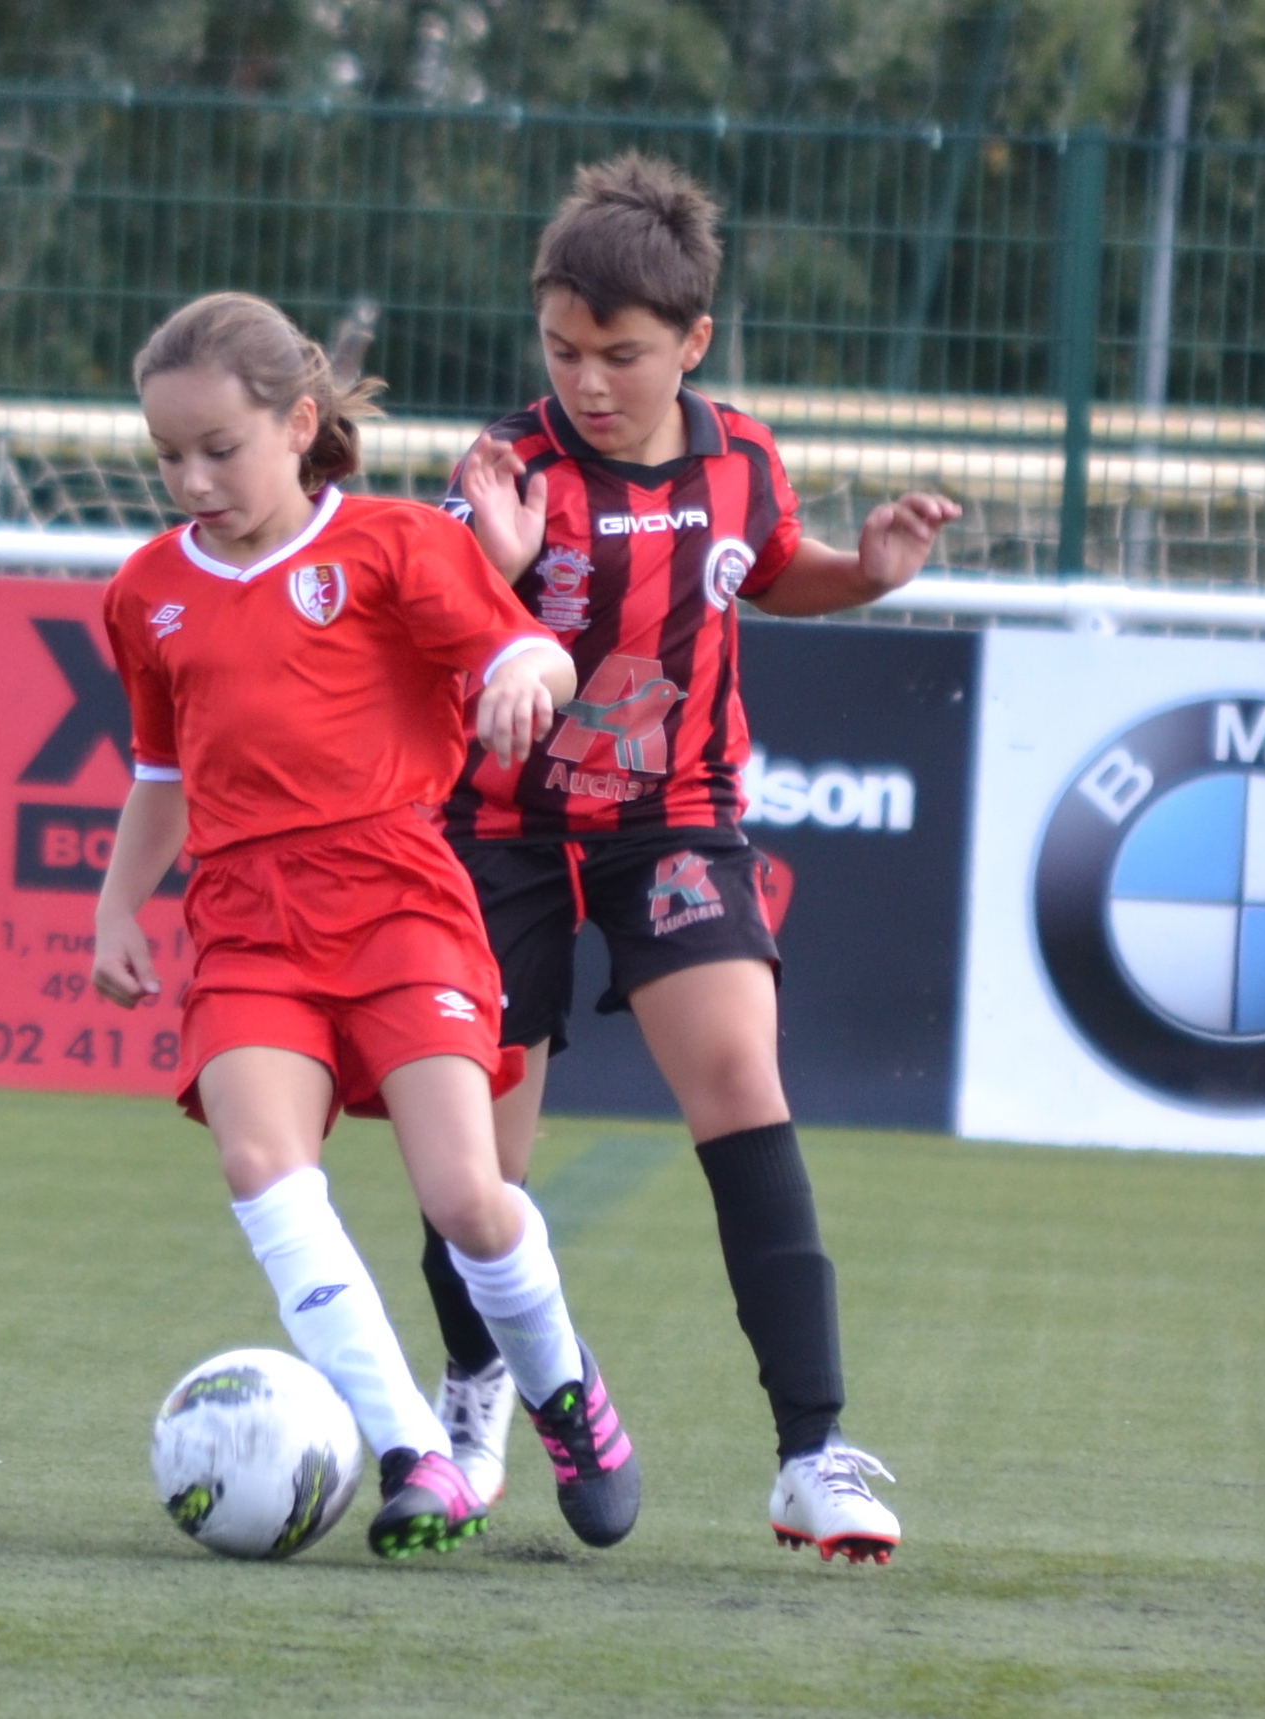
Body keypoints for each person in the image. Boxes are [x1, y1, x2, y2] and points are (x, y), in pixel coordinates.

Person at [417, 157, 961, 1565]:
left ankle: (812, 1451)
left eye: (621, 354)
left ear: (693, 341)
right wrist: (494, 569)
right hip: (500, 832)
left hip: (677, 819)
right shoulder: (504, 469)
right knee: (481, 1156)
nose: (587, 380)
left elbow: (772, 569)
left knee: (741, 1086)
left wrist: (868, 572)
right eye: (562, 349)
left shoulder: (743, 461)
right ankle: (475, 1388)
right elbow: (433, 629)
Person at [89, 291, 642, 1560]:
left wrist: (524, 677)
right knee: (260, 1167)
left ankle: (563, 1390)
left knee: (467, 1199)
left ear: (298, 426)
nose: (191, 480)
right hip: (245, 918)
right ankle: (414, 1454)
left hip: (398, 898)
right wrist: (119, 905)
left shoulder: (397, 546)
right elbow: (163, 773)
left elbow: (530, 655)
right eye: (167, 456)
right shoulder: (145, 594)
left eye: (218, 449)